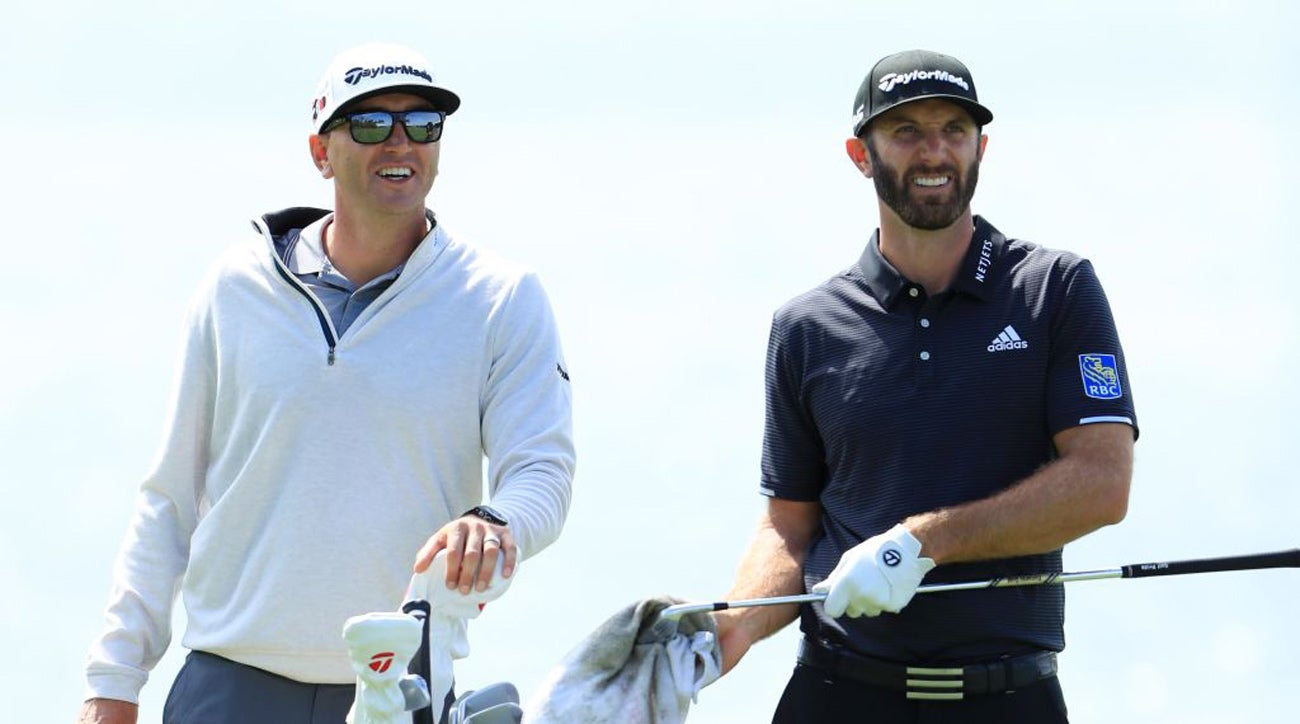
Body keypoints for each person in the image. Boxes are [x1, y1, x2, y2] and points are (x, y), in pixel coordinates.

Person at [77, 42, 575, 724]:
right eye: (370, 124)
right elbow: (170, 499)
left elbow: (541, 473)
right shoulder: (234, 286)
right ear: (321, 152)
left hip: (405, 686)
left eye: (422, 124)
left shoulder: (502, 297)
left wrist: (493, 521)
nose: (399, 142)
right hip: (230, 685)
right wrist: (114, 683)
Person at [713, 49, 1136, 722]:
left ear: (981, 148)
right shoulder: (807, 326)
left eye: (954, 131)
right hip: (836, 694)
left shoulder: (1055, 291)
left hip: (1008, 699)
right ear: (860, 153)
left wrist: (921, 541)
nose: (934, 152)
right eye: (907, 131)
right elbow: (790, 528)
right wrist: (731, 629)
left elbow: (1101, 483)